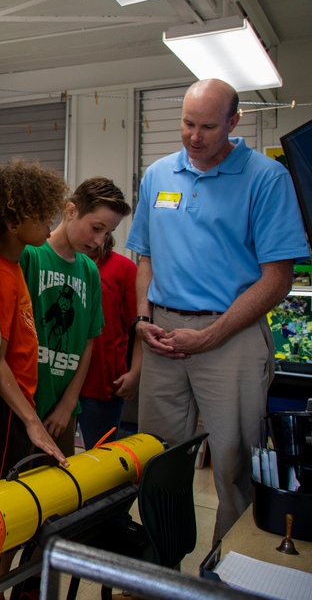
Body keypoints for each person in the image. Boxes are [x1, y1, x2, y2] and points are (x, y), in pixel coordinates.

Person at [126, 78, 310, 543]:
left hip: (232, 334)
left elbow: (277, 278)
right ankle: (159, 565)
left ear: (233, 121)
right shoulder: (158, 176)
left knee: (232, 462)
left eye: (208, 126)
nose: (194, 136)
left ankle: (226, 573)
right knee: (157, 459)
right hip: (163, 334)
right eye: (187, 123)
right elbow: (144, 258)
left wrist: (212, 335)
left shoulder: (267, 179)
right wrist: (143, 319)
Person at [0, 161, 70, 486]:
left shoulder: (13, 269)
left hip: (17, 406)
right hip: (4, 411)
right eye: (41, 219)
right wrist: (31, 421)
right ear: (13, 222)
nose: (50, 228)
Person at [20, 176, 130, 456]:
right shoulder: (31, 255)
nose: (99, 240)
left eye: (107, 233)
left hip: (63, 409)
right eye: (96, 228)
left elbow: (88, 343)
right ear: (71, 211)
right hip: (23, 404)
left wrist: (68, 405)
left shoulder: (89, 270)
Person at [77, 233, 141, 448]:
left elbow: (139, 327)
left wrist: (135, 373)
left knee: (101, 458)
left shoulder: (124, 268)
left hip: (103, 382)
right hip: (60, 381)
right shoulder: (60, 261)